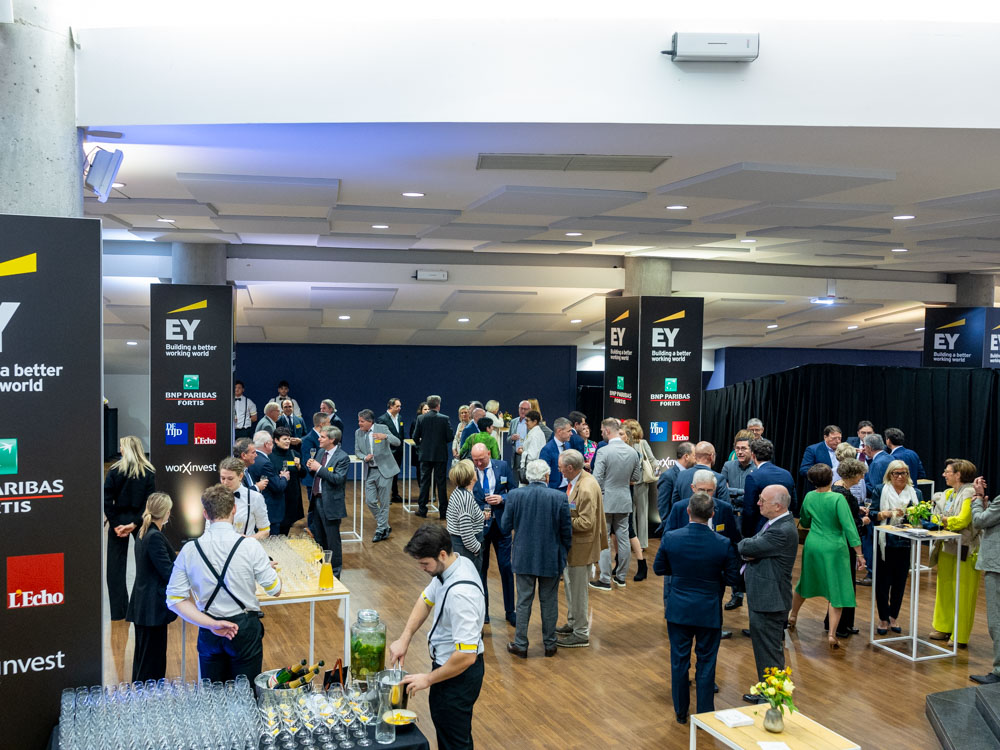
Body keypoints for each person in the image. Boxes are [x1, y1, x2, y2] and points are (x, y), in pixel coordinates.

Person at [166, 484, 282, 682]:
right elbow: (275, 589)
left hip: (209, 629)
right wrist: (268, 569)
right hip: (244, 629)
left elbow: (174, 600)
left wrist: (212, 624)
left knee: (213, 693)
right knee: (246, 692)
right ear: (234, 509)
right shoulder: (250, 546)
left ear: (205, 514)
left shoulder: (190, 549)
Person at [389, 524, 485, 750]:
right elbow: (426, 599)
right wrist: (405, 638)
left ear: (442, 554)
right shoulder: (454, 564)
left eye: (425, 564)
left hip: (458, 675)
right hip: (447, 669)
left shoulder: (461, 595)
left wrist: (428, 679)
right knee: (448, 734)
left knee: (454, 742)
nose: (422, 568)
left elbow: (466, 656)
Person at [653, 492, 740, 724]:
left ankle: (681, 712)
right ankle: (704, 715)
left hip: (679, 610)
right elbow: (733, 578)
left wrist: (681, 574)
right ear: (712, 514)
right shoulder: (722, 543)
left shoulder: (671, 538)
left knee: (679, 662)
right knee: (707, 663)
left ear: (688, 511)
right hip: (708, 610)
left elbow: (659, 568)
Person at [500, 459, 572, 658]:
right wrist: (563, 552)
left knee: (523, 602)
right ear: (547, 477)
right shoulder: (559, 497)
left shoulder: (514, 495)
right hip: (551, 557)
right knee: (549, 602)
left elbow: (505, 526)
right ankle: (550, 644)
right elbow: (566, 531)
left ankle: (521, 645)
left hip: (523, 557)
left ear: (528, 477)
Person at [788, 464, 863, 650]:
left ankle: (793, 615)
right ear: (831, 478)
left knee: (805, 581)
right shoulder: (838, 498)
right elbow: (849, 528)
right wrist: (859, 554)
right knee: (837, 588)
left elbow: (804, 520)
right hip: (834, 547)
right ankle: (831, 634)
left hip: (813, 544)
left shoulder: (809, 496)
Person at [738, 485, 798, 704]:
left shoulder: (781, 530)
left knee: (770, 652)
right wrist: (751, 550)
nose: (758, 503)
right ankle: (767, 692)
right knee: (765, 650)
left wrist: (750, 550)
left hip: (770, 601)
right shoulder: (775, 523)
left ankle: (772, 700)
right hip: (765, 598)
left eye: (762, 500)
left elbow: (745, 547)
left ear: (778, 505)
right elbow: (751, 546)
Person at [928, 458, 980, 647]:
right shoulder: (948, 493)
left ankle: (960, 635)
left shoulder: (969, 492)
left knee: (963, 592)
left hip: (965, 548)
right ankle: (943, 626)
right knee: (945, 589)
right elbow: (934, 517)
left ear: (958, 475)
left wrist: (944, 520)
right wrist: (943, 520)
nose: (944, 474)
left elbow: (963, 520)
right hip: (946, 546)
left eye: (947, 471)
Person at [556, 449, 605, 648]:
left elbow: (586, 522)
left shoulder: (586, 487)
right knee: (571, 587)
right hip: (575, 547)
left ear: (570, 467)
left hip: (581, 547)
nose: (559, 470)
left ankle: (581, 633)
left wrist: (562, 519)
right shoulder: (579, 481)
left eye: (560, 467)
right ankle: (573, 622)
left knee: (578, 591)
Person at [104, 435, 157, 620]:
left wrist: (115, 524)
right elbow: (149, 503)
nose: (120, 449)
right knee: (145, 565)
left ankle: (118, 612)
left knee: (115, 568)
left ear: (125, 449)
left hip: (118, 522)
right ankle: (140, 607)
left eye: (121, 446)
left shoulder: (114, 471)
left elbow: (107, 501)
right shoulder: (148, 472)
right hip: (141, 522)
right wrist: (135, 523)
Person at [126, 492, 176, 682]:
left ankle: (141, 695)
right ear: (166, 513)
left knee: (143, 658)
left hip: (144, 605)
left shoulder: (144, 532)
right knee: (151, 663)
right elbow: (168, 572)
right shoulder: (154, 536)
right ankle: (148, 697)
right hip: (152, 608)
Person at [470, 442, 518, 627]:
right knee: (481, 570)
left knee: (506, 567)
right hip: (480, 527)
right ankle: (484, 612)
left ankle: (510, 611)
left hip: (501, 525)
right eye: (475, 460)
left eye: (481, 459)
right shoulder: (470, 470)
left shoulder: (503, 466)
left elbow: (514, 491)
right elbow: (466, 495)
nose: (478, 464)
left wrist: (502, 498)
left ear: (489, 454)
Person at [591, 419, 641, 591]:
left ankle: (605, 579)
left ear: (606, 430)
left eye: (601, 431)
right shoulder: (633, 452)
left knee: (604, 540)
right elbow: (636, 477)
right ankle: (621, 577)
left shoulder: (603, 451)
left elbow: (596, 479)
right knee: (623, 538)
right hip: (624, 498)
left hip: (606, 500)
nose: (601, 433)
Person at [870, 459, 917, 635]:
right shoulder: (880, 490)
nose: (900, 476)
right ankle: (883, 618)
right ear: (890, 475)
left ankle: (893, 617)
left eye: (903, 473)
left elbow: (921, 516)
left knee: (899, 583)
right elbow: (873, 514)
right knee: (883, 583)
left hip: (905, 543)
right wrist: (886, 514)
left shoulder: (915, 492)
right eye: (896, 473)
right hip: (885, 542)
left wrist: (911, 515)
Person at [826, 457, 868, 638]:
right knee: (846, 584)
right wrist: (864, 521)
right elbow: (851, 525)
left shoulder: (835, 488)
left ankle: (832, 623)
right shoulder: (846, 496)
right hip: (845, 544)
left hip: (834, 541)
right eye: (860, 475)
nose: (861, 478)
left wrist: (857, 511)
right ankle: (842, 626)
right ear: (853, 475)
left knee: (839, 583)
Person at [306, 426, 349, 577]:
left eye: (323, 437)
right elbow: (316, 475)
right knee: (319, 538)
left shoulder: (342, 457)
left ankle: (335, 573)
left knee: (332, 541)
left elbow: (338, 479)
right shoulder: (320, 452)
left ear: (332, 440)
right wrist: (311, 468)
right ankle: (321, 568)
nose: (319, 438)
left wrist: (318, 468)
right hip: (317, 500)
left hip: (331, 504)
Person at [970, 476, 1000, 684]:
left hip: (997, 565)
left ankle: (998, 670)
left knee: (996, 620)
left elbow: (979, 521)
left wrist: (978, 501)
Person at [356, 408, 400, 543]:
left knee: (384, 502)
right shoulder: (358, 432)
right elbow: (357, 451)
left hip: (385, 470)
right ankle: (385, 525)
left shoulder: (382, 428)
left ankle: (380, 529)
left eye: (361, 421)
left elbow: (397, 442)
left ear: (370, 421)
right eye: (359, 421)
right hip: (370, 471)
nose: (359, 424)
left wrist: (385, 436)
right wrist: (364, 457)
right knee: (370, 501)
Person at [742, 438, 797, 536]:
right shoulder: (787, 474)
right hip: (786, 528)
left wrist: (746, 534)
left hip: (761, 530)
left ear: (753, 455)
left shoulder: (753, 477)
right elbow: (793, 503)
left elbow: (749, 510)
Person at [624, 420, 656, 581]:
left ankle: (641, 543)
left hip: (641, 483)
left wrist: (654, 473)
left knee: (641, 513)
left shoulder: (642, 443)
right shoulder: (624, 445)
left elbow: (653, 460)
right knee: (631, 514)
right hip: (627, 484)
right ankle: (634, 541)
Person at [413, 395, 454, 518]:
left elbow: (415, 437)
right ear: (438, 405)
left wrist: (421, 446)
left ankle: (422, 510)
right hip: (440, 455)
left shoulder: (421, 418)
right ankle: (443, 512)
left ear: (429, 405)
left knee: (424, 482)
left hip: (425, 455)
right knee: (441, 483)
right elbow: (450, 437)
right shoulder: (445, 418)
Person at [446, 459, 487, 570]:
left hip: (459, 546)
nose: (476, 471)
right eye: (474, 469)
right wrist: (477, 549)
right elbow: (466, 533)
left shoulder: (458, 492)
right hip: (467, 550)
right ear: (470, 476)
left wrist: (480, 515)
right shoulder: (466, 498)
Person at [217, 456, 270, 540]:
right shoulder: (214, 497)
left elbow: (265, 531)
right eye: (223, 478)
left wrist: (247, 539)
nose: (225, 482)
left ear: (240, 476)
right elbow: (208, 530)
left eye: (230, 478)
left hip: (245, 547)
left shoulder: (254, 497)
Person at [252, 431, 290, 533]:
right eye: (272, 442)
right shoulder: (265, 463)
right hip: (270, 511)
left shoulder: (253, 458)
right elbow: (278, 486)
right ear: (266, 444)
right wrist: (284, 478)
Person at [672, 441, 729, 507]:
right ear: (711, 456)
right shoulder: (719, 478)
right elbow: (725, 507)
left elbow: (675, 502)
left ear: (695, 456)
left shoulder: (681, 475)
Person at [271, 427, 305, 535]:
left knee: (286, 529)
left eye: (289, 439)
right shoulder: (270, 456)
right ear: (276, 440)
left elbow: (303, 474)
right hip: (277, 498)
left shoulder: (294, 454)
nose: (287, 441)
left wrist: (299, 466)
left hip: (292, 498)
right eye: (284, 439)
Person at [299, 411, 329, 534]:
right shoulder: (308, 440)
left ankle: (316, 529)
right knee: (314, 505)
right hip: (312, 479)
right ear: (322, 424)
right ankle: (311, 529)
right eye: (328, 423)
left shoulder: (320, 438)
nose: (330, 425)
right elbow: (308, 463)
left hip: (320, 477)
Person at [657, 441, 695, 523]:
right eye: (694, 456)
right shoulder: (667, 476)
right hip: (675, 525)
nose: (696, 460)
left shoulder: (693, 474)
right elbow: (663, 506)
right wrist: (669, 526)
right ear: (686, 456)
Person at [376, 397, 406, 503]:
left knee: (395, 473)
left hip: (398, 450)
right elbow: (379, 437)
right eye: (397, 406)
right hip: (388, 451)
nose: (399, 408)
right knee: (386, 474)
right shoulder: (382, 419)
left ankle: (395, 494)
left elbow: (401, 434)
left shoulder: (400, 418)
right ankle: (384, 496)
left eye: (400, 406)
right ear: (391, 406)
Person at [721, 430, 756, 502]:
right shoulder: (728, 466)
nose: (739, 452)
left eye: (743, 449)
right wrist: (742, 491)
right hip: (731, 506)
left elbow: (755, 493)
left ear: (752, 450)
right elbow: (722, 489)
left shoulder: (757, 468)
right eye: (737, 448)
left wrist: (732, 492)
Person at [506, 400, 531, 476]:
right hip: (516, 456)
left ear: (530, 410)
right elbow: (508, 439)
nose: (523, 411)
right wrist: (512, 438)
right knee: (516, 478)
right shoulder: (513, 422)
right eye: (521, 408)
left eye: (525, 409)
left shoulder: (532, 422)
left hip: (528, 456)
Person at [519, 409, 546, 477]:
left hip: (532, 471)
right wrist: (524, 448)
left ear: (535, 422)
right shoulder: (534, 432)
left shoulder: (535, 435)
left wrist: (522, 452)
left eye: (527, 420)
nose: (525, 423)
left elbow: (532, 456)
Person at [411, 401, 429, 490]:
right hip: (419, 451)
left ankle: (432, 492)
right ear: (421, 410)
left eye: (428, 409)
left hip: (430, 451)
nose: (427, 411)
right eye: (425, 409)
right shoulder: (415, 421)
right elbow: (413, 436)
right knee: (420, 471)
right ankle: (422, 490)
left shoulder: (434, 420)